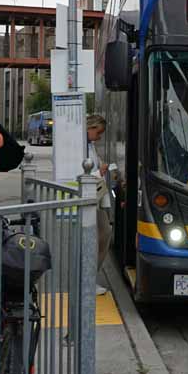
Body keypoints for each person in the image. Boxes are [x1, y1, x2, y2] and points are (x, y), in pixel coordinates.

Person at [86, 114, 111, 296]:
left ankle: (90, 277)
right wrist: (98, 171)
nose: (100, 136)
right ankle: (88, 280)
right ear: (90, 127)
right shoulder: (81, 146)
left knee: (104, 234)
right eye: (99, 132)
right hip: (88, 199)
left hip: (95, 200)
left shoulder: (89, 146)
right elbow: (78, 173)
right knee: (96, 239)